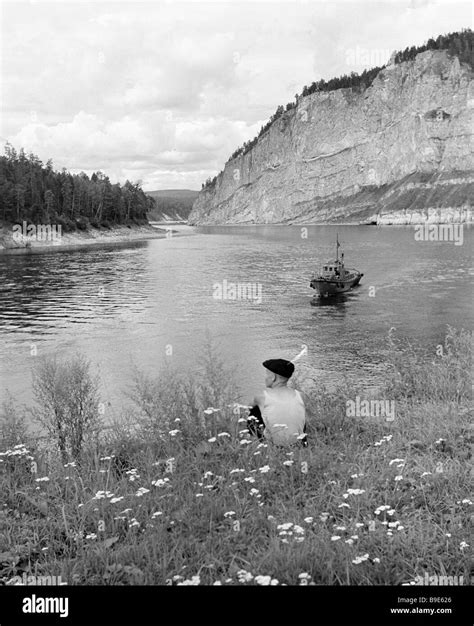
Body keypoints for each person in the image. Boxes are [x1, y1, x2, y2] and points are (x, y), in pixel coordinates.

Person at [247, 358, 307, 447]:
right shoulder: (301, 395)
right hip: (298, 443)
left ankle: (256, 442)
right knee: (298, 410)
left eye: (267, 374)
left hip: (274, 445)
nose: (265, 377)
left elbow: (247, 408)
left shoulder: (261, 397)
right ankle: (299, 441)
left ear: (273, 377)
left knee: (254, 411)